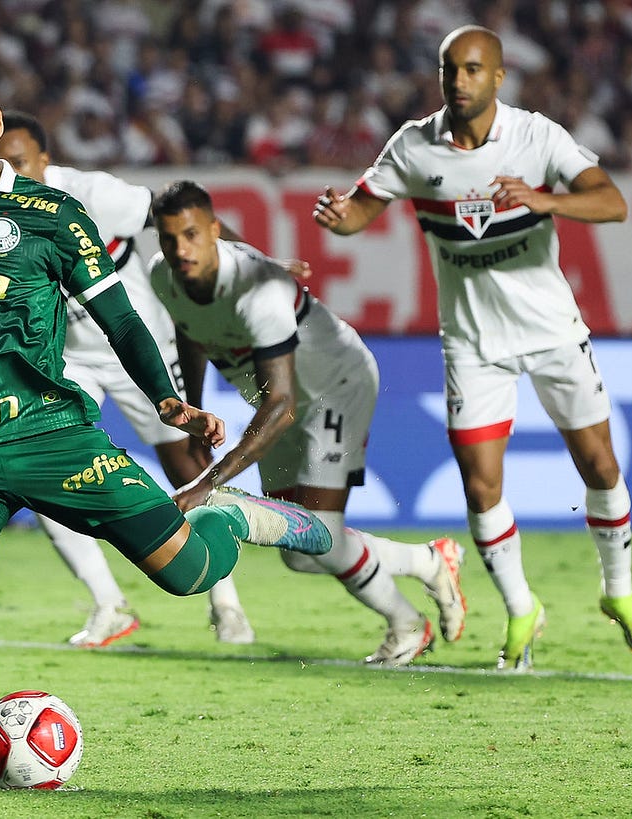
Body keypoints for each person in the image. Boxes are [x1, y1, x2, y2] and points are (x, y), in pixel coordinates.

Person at [0, 63, 332, 789]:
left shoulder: (54, 215)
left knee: (187, 573)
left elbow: (122, 319)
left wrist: (168, 399)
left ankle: (241, 518)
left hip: (48, 432)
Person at [312, 25, 632, 670]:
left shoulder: (537, 137)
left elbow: (611, 202)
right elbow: (362, 208)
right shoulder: (414, 146)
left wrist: (544, 198)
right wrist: (340, 216)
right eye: (451, 70)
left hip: (554, 332)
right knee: (480, 487)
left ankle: (619, 591)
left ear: (499, 77)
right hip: (472, 344)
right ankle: (522, 607)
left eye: (474, 70)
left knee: (602, 469)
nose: (461, 81)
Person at [152, 180, 468, 667]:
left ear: (215, 231)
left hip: (333, 388)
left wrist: (205, 483)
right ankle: (428, 561)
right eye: (170, 239)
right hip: (281, 404)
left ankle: (407, 625)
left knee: (318, 530)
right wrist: (192, 414)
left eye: (192, 235)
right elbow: (190, 331)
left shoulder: (257, 295)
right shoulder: (164, 276)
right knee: (299, 546)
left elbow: (281, 407)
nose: (181, 249)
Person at [0, 110, 254, 647]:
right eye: (3, 164)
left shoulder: (96, 195)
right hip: (68, 361)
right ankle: (109, 605)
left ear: (47, 160)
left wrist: (252, 264)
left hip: (143, 346)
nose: (10, 173)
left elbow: (186, 221)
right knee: (46, 469)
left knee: (187, 463)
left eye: (20, 162)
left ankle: (227, 603)